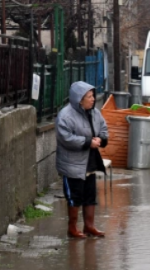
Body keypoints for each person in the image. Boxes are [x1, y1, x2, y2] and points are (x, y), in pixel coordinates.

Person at [55, 81, 108, 238]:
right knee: (74, 197)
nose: (93, 99)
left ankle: (89, 227)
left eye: (93, 96)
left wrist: (101, 139)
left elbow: (104, 128)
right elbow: (66, 138)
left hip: (90, 161)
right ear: (79, 99)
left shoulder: (94, 112)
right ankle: (72, 228)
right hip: (73, 164)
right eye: (89, 97)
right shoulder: (65, 116)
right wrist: (87, 142)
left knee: (90, 195)